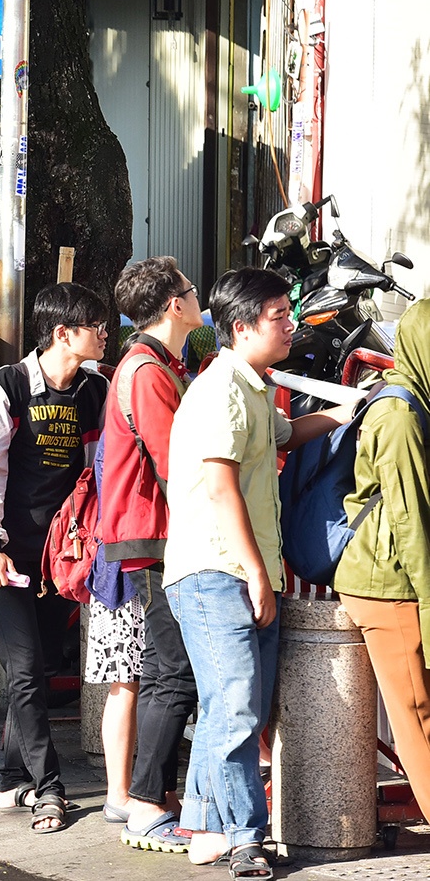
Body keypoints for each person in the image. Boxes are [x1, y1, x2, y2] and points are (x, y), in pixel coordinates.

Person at [164, 267, 348, 877]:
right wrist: (252, 573)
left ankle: (203, 828)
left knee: (231, 706)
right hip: (218, 569)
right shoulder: (220, 389)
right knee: (240, 706)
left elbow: (287, 435)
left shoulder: (253, 387)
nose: (290, 324)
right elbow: (219, 487)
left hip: (240, 568)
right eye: (278, 316)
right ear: (240, 328)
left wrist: (350, 413)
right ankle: (246, 836)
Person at [0, 283, 111, 833]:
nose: (104, 333)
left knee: (41, 668)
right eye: (95, 325)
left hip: (66, 554)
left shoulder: (96, 390)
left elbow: (99, 468)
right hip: (12, 549)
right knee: (23, 672)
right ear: (63, 334)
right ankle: (49, 789)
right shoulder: (5, 386)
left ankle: (10, 778)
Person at [102, 256, 203, 854]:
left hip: (157, 531)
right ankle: (145, 803)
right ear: (173, 305)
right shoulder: (145, 371)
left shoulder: (158, 363)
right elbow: (174, 462)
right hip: (158, 533)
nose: (198, 300)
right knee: (174, 674)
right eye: (190, 291)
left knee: (171, 672)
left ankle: (152, 798)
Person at [335, 298, 430, 825]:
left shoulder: (414, 402)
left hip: (396, 577)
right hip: (387, 583)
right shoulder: (399, 415)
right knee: (417, 716)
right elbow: (411, 523)